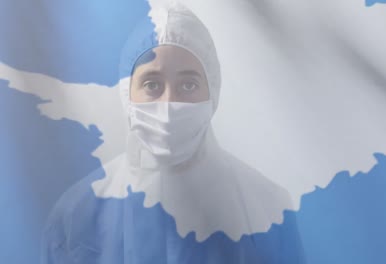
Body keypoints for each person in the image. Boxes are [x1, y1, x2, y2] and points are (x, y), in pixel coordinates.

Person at [40, 2, 306, 263]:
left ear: (212, 90)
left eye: (188, 84)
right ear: (127, 94)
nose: (168, 104)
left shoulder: (267, 209)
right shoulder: (77, 215)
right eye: (152, 83)